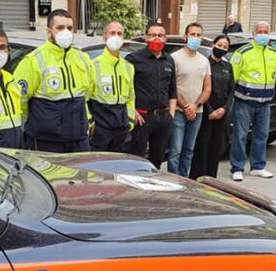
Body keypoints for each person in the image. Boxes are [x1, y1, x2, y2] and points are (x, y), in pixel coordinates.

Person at [15, 9, 96, 153]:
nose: (66, 32)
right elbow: (19, 101)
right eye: (60, 28)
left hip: (78, 140)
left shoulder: (83, 58)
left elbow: (87, 95)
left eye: (69, 28)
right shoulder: (34, 60)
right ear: (49, 31)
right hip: (45, 141)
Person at [229, 21, 276, 180]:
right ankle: (237, 168)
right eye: (260, 31)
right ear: (253, 34)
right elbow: (232, 79)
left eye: (266, 31)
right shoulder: (243, 53)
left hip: (265, 103)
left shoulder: (273, 53)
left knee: (262, 136)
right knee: (240, 136)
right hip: (245, 102)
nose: (263, 34)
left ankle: (258, 166)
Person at [127, 22, 177, 169]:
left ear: (165, 39)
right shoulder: (134, 59)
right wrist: (133, 112)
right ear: (146, 38)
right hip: (142, 118)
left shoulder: (169, 60)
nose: (157, 38)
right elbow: (126, 89)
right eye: (153, 35)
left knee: (158, 158)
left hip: (163, 118)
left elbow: (172, 90)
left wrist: (171, 115)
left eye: (160, 35)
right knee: (136, 157)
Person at [168, 22, 211, 177]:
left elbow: (207, 88)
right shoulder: (174, 58)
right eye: (193, 34)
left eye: (199, 35)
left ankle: (184, 180)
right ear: (185, 36)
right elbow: (172, 87)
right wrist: (186, 106)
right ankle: (173, 179)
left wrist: (195, 105)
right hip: (179, 111)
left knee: (189, 150)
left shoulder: (204, 60)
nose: (196, 38)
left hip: (197, 112)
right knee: (175, 151)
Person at [190, 34, 233, 180]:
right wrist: (210, 110)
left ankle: (211, 180)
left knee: (216, 148)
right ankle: (198, 178)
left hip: (221, 113)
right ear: (213, 44)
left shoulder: (228, 66)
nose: (221, 48)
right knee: (202, 147)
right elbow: (201, 89)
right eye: (219, 45)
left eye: (225, 47)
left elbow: (231, 91)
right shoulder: (205, 63)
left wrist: (224, 109)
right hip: (206, 112)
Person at [89, 21, 135, 152]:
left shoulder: (128, 67)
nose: (116, 36)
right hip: (101, 128)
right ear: (104, 37)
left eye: (119, 33)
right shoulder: (93, 65)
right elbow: (83, 99)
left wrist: (130, 121)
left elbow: (131, 97)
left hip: (122, 128)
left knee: (117, 167)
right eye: (112, 33)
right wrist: (91, 124)